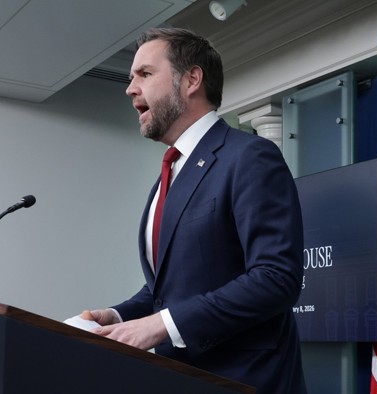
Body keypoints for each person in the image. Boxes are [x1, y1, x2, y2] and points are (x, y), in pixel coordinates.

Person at [80, 27, 307, 393]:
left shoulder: (249, 157)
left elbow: (276, 277)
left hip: (244, 381)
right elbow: (168, 290)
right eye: (130, 77)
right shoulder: (168, 175)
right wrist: (120, 316)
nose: (130, 88)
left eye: (145, 74)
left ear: (192, 80)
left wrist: (160, 325)